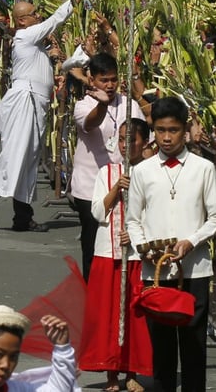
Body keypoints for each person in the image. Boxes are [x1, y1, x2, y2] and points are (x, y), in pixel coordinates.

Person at [125, 97, 216, 392]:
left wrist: (190, 242)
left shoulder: (203, 168)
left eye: (174, 130)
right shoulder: (142, 171)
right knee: (162, 349)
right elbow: (133, 221)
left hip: (194, 270)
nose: (166, 137)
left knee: (194, 346)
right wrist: (146, 249)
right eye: (160, 130)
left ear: (186, 130)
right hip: (154, 272)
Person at [0, 0, 86, 231]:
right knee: (17, 154)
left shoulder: (33, 44)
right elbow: (55, 19)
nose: (38, 16)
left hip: (36, 101)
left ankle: (22, 216)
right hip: (25, 99)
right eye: (34, 14)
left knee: (29, 158)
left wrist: (56, 57)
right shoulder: (25, 36)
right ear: (22, 20)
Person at [80, 119, 153, 392]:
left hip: (135, 255)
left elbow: (154, 215)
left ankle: (132, 372)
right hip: (107, 253)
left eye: (131, 139)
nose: (125, 144)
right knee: (108, 315)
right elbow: (98, 213)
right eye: (122, 139)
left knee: (134, 315)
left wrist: (135, 235)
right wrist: (116, 189)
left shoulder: (150, 172)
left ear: (144, 142)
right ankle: (111, 373)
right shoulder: (106, 172)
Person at [68, 53, 146, 279]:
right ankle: (91, 292)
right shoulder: (83, 106)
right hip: (90, 186)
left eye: (113, 80)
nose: (110, 85)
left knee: (123, 241)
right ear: (91, 80)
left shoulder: (129, 105)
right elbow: (90, 123)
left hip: (125, 183)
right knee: (94, 244)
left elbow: (141, 138)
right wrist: (102, 106)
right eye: (104, 80)